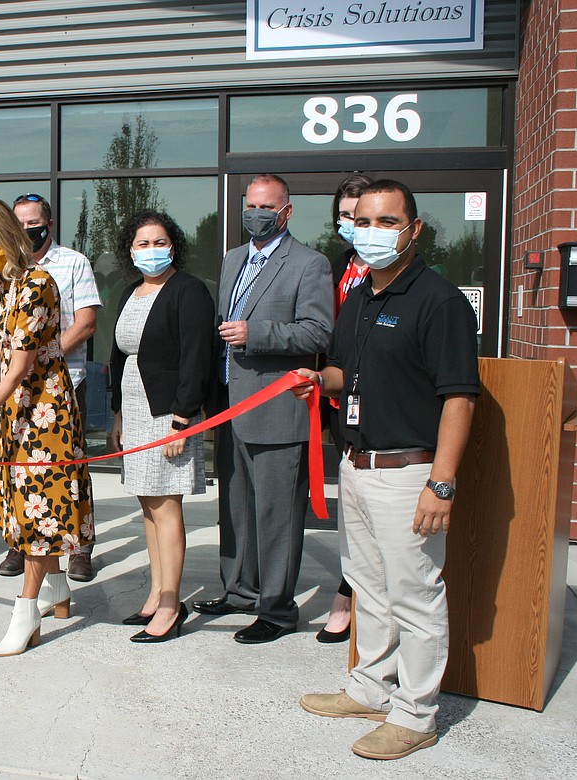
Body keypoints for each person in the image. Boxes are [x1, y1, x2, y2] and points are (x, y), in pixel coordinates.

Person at [294, 179, 478, 760]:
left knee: (415, 596)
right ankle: (371, 687)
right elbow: (347, 375)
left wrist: (441, 484)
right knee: (369, 587)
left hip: (409, 473)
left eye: (386, 222)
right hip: (356, 464)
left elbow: (459, 398)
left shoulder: (439, 301)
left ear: (414, 229)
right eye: (363, 222)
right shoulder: (360, 298)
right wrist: (316, 380)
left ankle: (416, 712)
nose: (372, 234)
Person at [193, 173, 333, 644]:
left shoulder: (309, 264)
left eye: (266, 207)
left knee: (276, 515)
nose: (256, 214)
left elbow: (318, 333)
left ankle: (277, 609)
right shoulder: (234, 259)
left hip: (277, 409)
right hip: (232, 406)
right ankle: (240, 590)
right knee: (234, 509)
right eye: (250, 206)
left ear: (286, 212)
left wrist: (259, 334)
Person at [0, 197, 93, 657]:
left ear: (10, 236)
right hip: (13, 406)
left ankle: (27, 610)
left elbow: (18, 368)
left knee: (39, 509)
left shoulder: (38, 284)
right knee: (22, 505)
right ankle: (56, 586)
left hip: (44, 407)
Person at [108, 210, 215, 643]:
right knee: (148, 506)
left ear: (174, 245)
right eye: (142, 244)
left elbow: (196, 357)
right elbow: (119, 356)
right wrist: (116, 411)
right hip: (134, 409)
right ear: (130, 251)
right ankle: (156, 593)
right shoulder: (131, 291)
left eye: (159, 242)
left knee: (167, 506)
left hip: (167, 413)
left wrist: (183, 419)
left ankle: (171, 606)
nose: (151, 251)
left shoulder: (188, 292)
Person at [0, 192, 101, 582]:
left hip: (64, 382)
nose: (27, 230)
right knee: (18, 467)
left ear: (50, 223)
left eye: (33, 222)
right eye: (20, 224)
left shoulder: (74, 263)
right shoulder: (5, 268)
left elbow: (87, 322)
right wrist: (15, 359)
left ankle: (79, 549)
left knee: (69, 469)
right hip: (15, 387)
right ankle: (20, 544)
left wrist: (40, 355)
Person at [317, 172, 374, 643]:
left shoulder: (392, 270)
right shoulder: (333, 265)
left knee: (367, 500)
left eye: (362, 215)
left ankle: (349, 593)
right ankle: (351, 584)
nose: (353, 224)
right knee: (348, 497)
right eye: (345, 216)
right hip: (334, 395)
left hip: (376, 400)